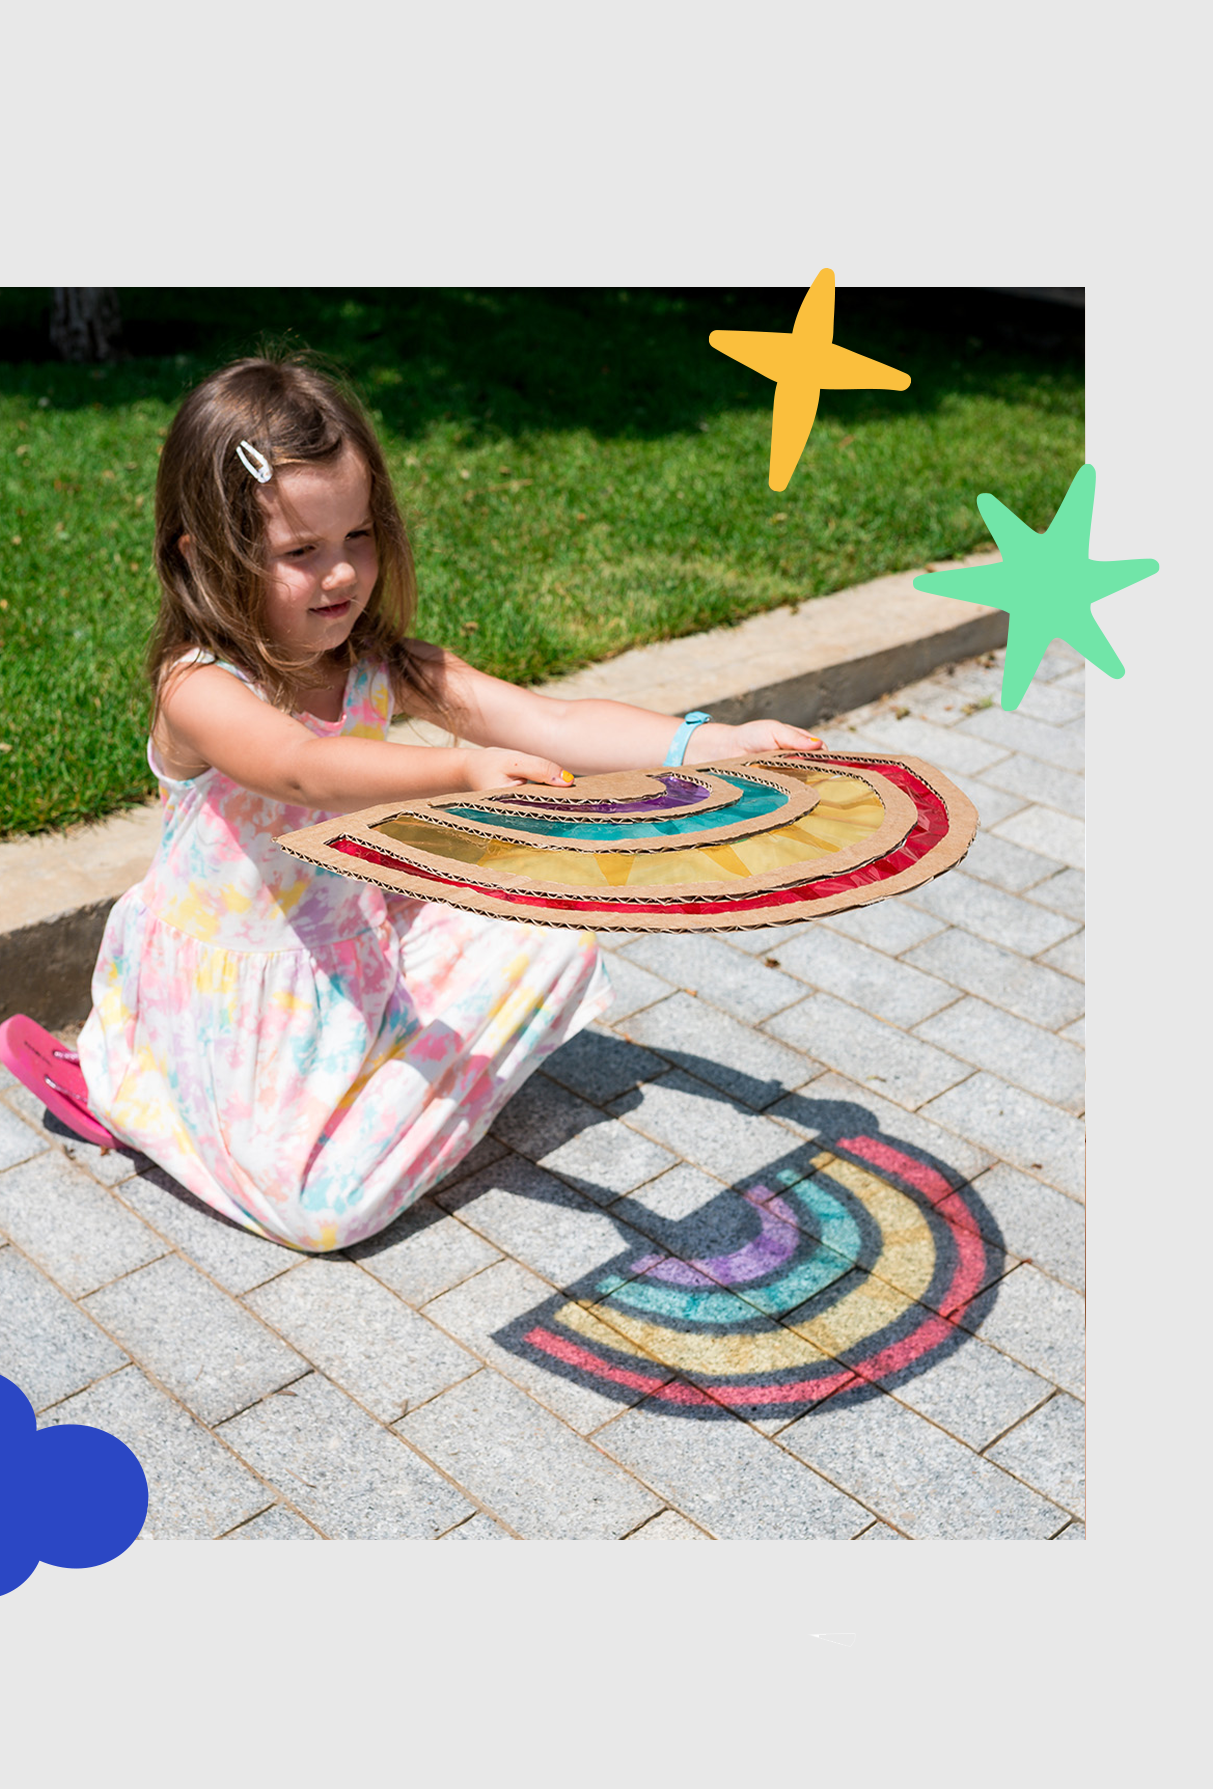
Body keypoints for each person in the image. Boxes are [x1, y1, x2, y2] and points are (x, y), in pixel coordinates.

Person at [74, 354, 824, 1253]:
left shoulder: (379, 664)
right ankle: (149, 1087)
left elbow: (551, 719)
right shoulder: (198, 686)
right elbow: (296, 768)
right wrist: (459, 774)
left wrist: (712, 744)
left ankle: (380, 1083)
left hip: (354, 954)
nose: (341, 574)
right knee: (326, 1217)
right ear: (204, 557)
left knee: (557, 944)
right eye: (299, 552)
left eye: (357, 536)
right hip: (233, 1001)